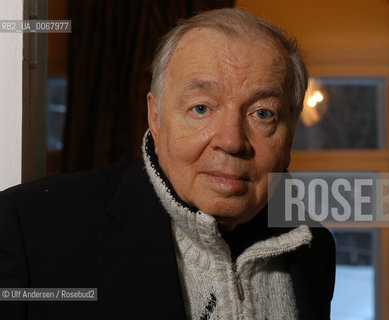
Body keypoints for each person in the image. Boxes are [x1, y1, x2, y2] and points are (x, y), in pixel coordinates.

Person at [0, 8, 335, 320]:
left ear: (289, 135)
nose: (232, 141)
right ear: (156, 118)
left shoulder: (314, 248)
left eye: (262, 113)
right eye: (201, 108)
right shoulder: (29, 229)